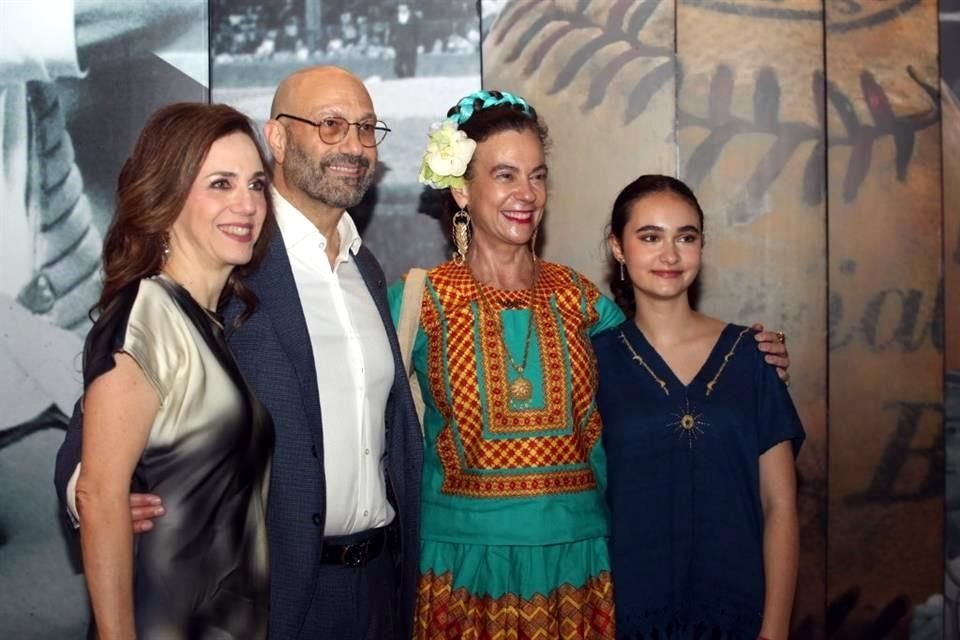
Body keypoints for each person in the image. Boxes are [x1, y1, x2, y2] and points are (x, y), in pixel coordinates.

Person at [390, 91, 790, 638]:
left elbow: (660, 361)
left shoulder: (581, 301)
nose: (525, 194)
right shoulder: (416, 302)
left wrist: (750, 358)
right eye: (504, 175)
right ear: (462, 187)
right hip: (462, 574)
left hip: (578, 575)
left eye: (537, 175)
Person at [56, 66, 423, 640]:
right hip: (276, 597)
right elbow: (102, 417)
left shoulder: (366, 269)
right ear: (278, 137)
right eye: (330, 125)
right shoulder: (229, 262)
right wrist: (98, 492)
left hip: (377, 586)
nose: (354, 145)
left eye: (366, 128)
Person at [74, 102, 274, 638]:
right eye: (220, 184)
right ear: (167, 198)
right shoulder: (147, 318)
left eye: (256, 185)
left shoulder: (204, 323)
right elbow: (98, 495)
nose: (247, 204)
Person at [593, 174, 804, 639]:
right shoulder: (594, 363)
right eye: (650, 237)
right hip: (625, 616)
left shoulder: (752, 356)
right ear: (618, 248)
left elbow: (781, 507)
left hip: (740, 616)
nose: (670, 255)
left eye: (685, 237)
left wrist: (774, 632)